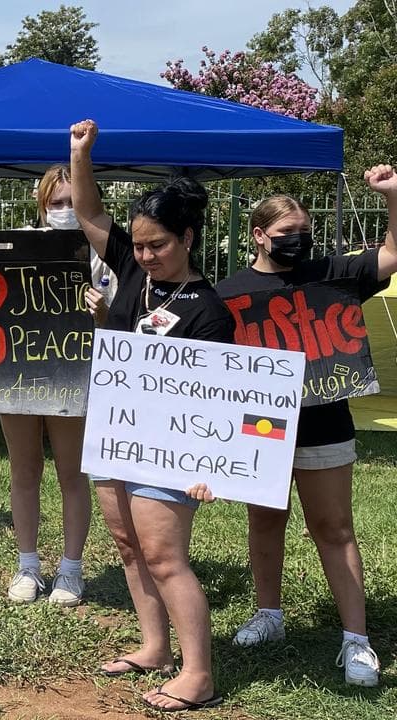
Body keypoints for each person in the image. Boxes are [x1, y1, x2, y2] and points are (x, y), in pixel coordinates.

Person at [71, 119, 233, 712]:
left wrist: (208, 465)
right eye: (137, 245)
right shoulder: (135, 275)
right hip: (114, 433)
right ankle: (154, 648)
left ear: (187, 238)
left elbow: (214, 399)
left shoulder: (208, 309)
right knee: (127, 545)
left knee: (166, 556)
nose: (143, 255)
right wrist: (79, 155)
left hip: (172, 450)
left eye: (157, 245)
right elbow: (90, 215)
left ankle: (198, 674)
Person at [214, 167, 397, 687]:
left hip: (325, 424)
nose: (296, 243)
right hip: (260, 428)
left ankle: (357, 641)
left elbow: (393, 253)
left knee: (335, 529)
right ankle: (268, 615)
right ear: (257, 235)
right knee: (265, 522)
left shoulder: (333, 274)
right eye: (284, 235)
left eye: (303, 235)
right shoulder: (229, 293)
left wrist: (391, 196)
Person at [0, 141, 97, 605]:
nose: (65, 211)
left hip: (74, 373)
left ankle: (71, 569)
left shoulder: (99, 247)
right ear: (42, 205)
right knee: (23, 469)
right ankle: (27, 566)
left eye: (73, 203)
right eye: (57, 203)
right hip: (16, 375)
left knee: (73, 473)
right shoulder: (19, 240)